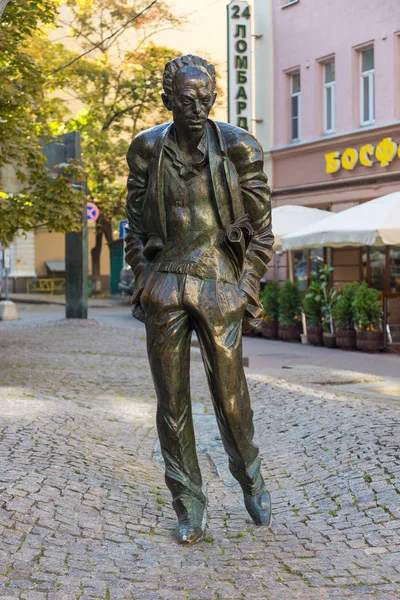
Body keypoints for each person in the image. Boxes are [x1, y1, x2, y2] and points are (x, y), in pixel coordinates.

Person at [125, 55, 274, 544]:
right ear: (168, 98)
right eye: (186, 99)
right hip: (165, 283)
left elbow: (261, 234)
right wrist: (144, 278)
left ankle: (248, 471)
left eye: (205, 98)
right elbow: (135, 225)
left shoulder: (238, 147)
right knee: (171, 402)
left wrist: (244, 287)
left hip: (219, 283)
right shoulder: (146, 148)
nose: (197, 107)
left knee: (230, 399)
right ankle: (188, 501)